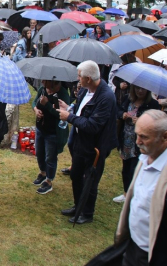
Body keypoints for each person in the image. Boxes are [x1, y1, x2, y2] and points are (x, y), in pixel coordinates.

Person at [58, 60, 118, 224]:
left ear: (89, 78)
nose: (78, 79)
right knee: (76, 176)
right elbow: (81, 110)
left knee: (89, 180)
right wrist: (69, 109)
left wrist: (69, 117)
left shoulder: (106, 97)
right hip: (80, 142)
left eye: (80, 76)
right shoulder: (86, 91)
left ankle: (87, 213)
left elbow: (93, 125)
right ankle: (78, 206)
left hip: (95, 146)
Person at [112, 109, 167, 266]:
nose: (137, 141)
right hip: (131, 245)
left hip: (152, 256)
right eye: (137, 135)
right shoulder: (144, 157)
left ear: (165, 136)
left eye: (144, 137)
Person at [113, 85, 160, 203]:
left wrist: (142, 122)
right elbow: (117, 110)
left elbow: (157, 124)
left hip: (141, 143)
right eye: (137, 88)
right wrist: (122, 114)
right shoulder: (128, 99)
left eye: (143, 88)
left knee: (135, 170)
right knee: (126, 169)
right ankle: (126, 193)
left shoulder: (153, 104)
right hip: (126, 140)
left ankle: (134, 196)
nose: (140, 91)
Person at [32, 80, 70, 194]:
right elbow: (34, 102)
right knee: (39, 153)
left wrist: (47, 105)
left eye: (46, 83)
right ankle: (43, 173)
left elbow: (61, 115)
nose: (43, 83)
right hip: (40, 128)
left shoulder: (63, 94)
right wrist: (36, 110)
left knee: (50, 157)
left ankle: (49, 181)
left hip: (53, 132)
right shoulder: (42, 89)